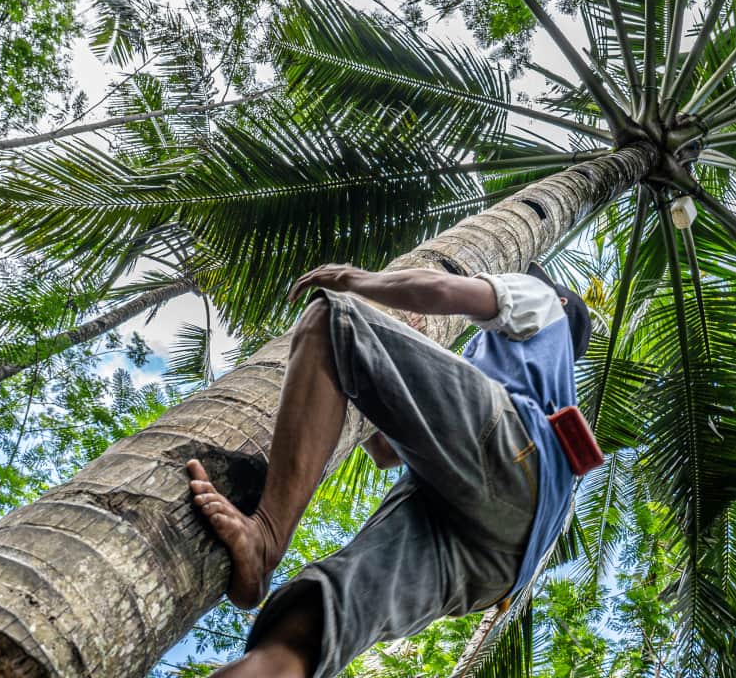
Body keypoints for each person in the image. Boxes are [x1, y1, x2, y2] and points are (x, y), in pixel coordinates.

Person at [185, 261, 592, 678]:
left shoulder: (542, 300)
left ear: (559, 299)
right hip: (498, 568)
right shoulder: (548, 383)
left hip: (513, 459)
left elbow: (438, 290)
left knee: (331, 320)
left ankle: (267, 537)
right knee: (304, 633)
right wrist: (362, 379)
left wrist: (354, 280)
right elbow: (385, 451)